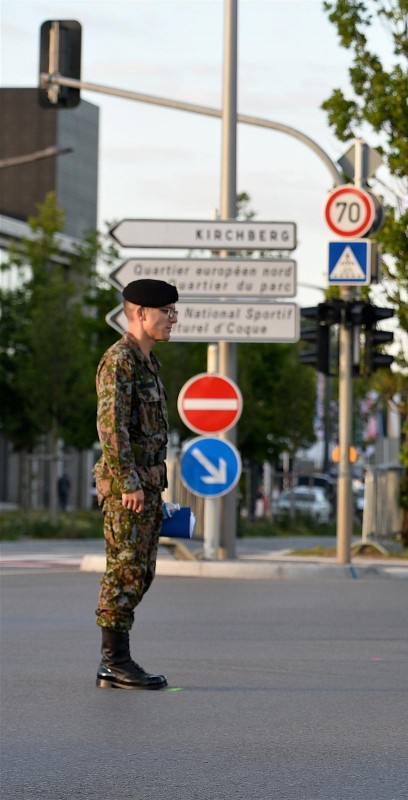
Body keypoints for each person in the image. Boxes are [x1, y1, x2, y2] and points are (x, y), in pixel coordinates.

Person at [93, 278, 178, 690]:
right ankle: (114, 663)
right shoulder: (119, 360)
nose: (173, 319)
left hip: (146, 487)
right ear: (141, 313)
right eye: (166, 312)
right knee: (124, 571)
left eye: (174, 311)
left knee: (142, 571)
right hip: (128, 490)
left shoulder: (148, 361)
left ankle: (115, 662)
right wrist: (127, 482)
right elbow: (111, 428)